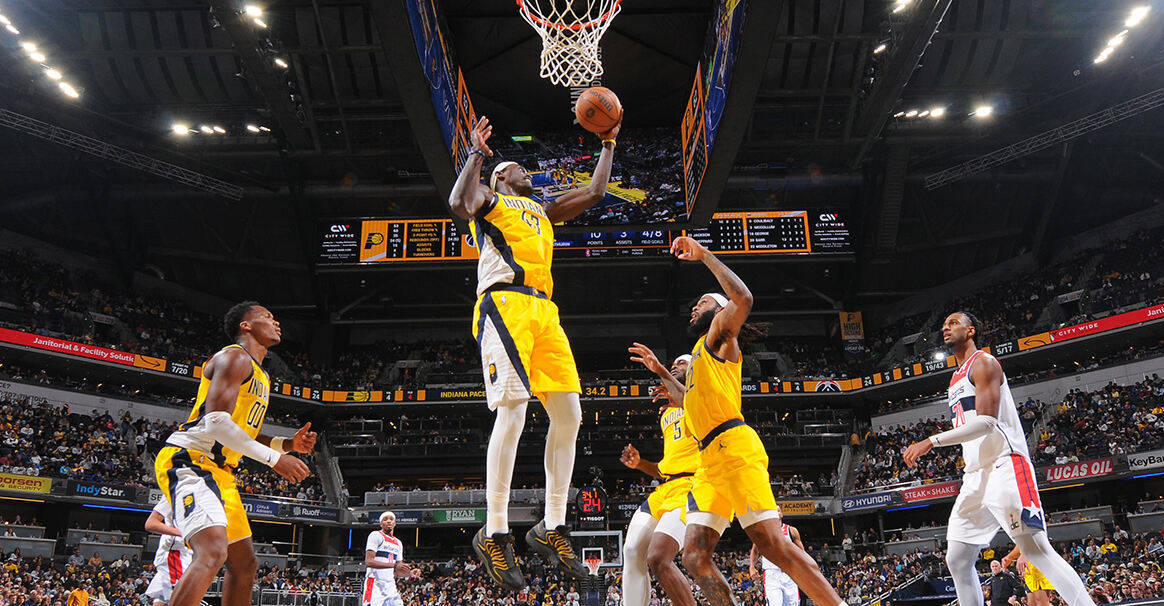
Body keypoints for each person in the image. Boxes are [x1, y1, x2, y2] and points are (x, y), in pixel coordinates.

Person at [448, 114, 621, 589]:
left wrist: (608, 144)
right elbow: (459, 201)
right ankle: (494, 531)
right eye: (517, 167)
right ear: (501, 177)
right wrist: (477, 153)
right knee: (514, 412)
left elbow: (596, 192)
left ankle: (552, 524)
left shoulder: (542, 210)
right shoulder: (490, 201)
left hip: (545, 311)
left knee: (569, 415)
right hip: (505, 303)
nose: (526, 171)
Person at [668, 235, 844, 606]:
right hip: (708, 461)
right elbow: (691, 402)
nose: (693, 309)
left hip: (733, 449)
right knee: (694, 557)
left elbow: (744, 299)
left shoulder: (720, 337)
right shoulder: (698, 354)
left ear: (719, 310)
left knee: (773, 546)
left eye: (702, 303)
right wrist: (659, 371)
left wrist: (705, 255)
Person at [903, 312, 1096, 606]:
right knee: (957, 559)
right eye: (943, 325)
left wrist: (931, 441)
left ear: (971, 330)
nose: (945, 328)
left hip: (1005, 464)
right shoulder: (955, 377)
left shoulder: (984, 363)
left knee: (1035, 550)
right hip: (975, 475)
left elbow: (986, 423)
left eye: (953, 323)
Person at [154, 302, 317, 606]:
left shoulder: (261, 375)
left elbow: (244, 433)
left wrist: (287, 445)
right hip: (191, 460)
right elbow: (216, 423)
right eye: (267, 317)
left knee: (244, 565)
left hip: (221, 472)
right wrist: (275, 460)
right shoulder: (234, 357)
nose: (276, 322)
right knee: (213, 552)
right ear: (246, 325)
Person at [620, 353, 697, 606]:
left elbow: (695, 403)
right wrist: (640, 464)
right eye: (673, 364)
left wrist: (661, 370)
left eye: (681, 363)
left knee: (659, 557)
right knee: (632, 551)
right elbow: (664, 470)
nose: (675, 366)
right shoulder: (666, 414)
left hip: (691, 488)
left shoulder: (701, 398)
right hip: (665, 489)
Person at [364, 511, 420, 606]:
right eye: (385, 519)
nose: (389, 521)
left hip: (390, 585)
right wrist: (394, 566)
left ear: (395, 523)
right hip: (374, 583)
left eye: (391, 519)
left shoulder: (398, 543)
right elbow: (369, 561)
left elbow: (398, 570)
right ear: (381, 524)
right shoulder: (376, 535)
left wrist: (409, 573)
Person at [144, 498, 193, 606]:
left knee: (163, 599)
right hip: (175, 552)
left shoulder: (203, 495)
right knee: (180, 599)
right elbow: (151, 523)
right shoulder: (174, 494)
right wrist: (183, 533)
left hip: (187, 553)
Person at [749, 524, 805, 606]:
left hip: (790, 574)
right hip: (771, 573)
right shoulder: (762, 531)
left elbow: (802, 553)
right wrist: (752, 566)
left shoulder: (791, 530)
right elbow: (755, 550)